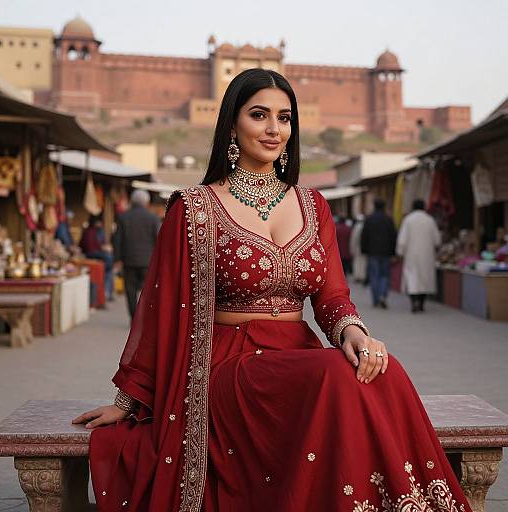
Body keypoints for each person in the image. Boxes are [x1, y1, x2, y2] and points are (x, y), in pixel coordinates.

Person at [73, 69, 472, 512]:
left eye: (284, 118)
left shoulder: (312, 205)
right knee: (336, 378)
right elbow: (162, 312)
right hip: (228, 364)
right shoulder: (195, 208)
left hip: (296, 354)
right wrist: (129, 401)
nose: (273, 129)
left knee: (383, 368)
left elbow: (333, 297)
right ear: (231, 123)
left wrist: (353, 333)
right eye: (259, 115)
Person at [112, 189, 160, 319]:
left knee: (130, 290)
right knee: (148, 291)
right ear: (146, 202)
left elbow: (117, 239)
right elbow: (159, 240)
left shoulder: (123, 217)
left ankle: (134, 318)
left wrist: (117, 259)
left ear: (132, 201)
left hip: (129, 260)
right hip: (147, 262)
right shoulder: (153, 218)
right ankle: (145, 318)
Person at [397, 199, 441, 313]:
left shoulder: (408, 220)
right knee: (425, 279)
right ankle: (421, 304)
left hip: (411, 255)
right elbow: (437, 239)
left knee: (412, 279)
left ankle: (413, 302)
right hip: (427, 255)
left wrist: (400, 252)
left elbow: (402, 239)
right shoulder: (429, 220)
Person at [361, 198, 397, 308]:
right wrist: (393, 252)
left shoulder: (369, 219)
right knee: (384, 275)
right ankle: (383, 295)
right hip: (386, 252)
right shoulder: (389, 219)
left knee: (374, 275)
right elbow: (393, 237)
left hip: (372, 252)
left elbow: (364, 236)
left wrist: (364, 250)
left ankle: (376, 298)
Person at [79, 215, 114, 301]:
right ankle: (106, 292)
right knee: (109, 263)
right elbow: (96, 246)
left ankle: (106, 291)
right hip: (93, 254)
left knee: (109, 264)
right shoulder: (95, 231)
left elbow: (82, 245)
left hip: (91, 253)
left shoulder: (88, 231)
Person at [350, 213, 367, 284]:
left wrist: (352, 248)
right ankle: (363, 276)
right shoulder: (365, 226)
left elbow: (353, 239)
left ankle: (358, 276)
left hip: (357, 248)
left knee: (357, 262)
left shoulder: (357, 227)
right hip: (364, 248)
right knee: (363, 263)